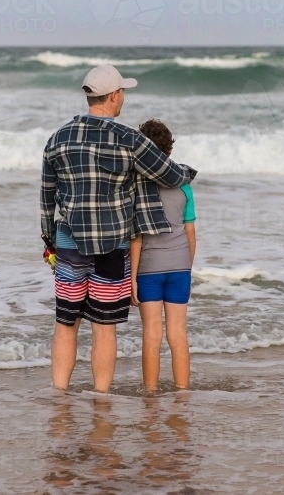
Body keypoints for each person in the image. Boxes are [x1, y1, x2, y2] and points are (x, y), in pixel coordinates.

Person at [40, 64, 190, 393]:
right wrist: (186, 173)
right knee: (103, 327)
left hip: (68, 243)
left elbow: (46, 199)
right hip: (112, 246)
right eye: (123, 92)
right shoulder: (129, 139)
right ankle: (101, 399)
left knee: (66, 323)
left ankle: (59, 397)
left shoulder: (57, 139)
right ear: (115, 95)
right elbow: (170, 175)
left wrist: (49, 241)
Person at [129, 119, 197, 392]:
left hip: (148, 269)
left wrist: (131, 278)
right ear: (169, 151)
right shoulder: (184, 184)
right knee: (178, 334)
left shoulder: (138, 187)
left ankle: (151, 394)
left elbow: (137, 237)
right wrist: (186, 266)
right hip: (180, 265)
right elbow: (191, 232)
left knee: (152, 334)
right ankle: (182, 393)